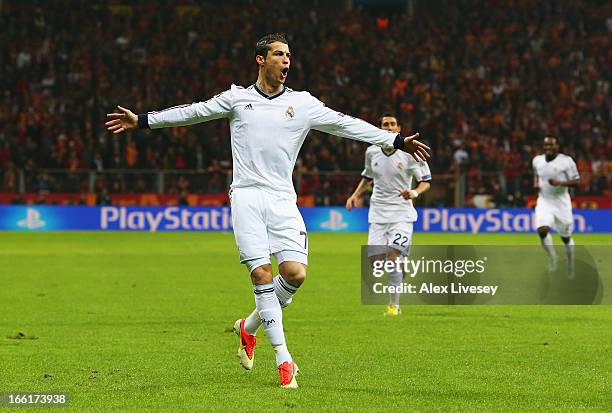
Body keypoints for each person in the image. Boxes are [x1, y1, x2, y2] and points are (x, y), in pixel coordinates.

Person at [105, 33, 430, 388]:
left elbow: (347, 124)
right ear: (261, 60)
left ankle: (249, 326)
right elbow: (193, 111)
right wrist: (144, 120)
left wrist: (395, 140)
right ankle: (284, 358)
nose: (286, 61)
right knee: (260, 274)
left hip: (281, 199)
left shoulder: (303, 104)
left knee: (295, 274)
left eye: (289, 55)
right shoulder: (237, 98)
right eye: (279, 55)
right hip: (245, 196)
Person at [346, 114, 431, 315]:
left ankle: (394, 306)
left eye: (393, 124)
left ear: (399, 129)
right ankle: (401, 266)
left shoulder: (410, 152)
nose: (389, 127)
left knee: (392, 256)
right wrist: (354, 195)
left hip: (402, 213)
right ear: (380, 129)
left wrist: (414, 192)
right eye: (385, 124)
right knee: (376, 261)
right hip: (377, 213)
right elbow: (367, 177)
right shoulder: (371, 152)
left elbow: (426, 181)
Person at [532, 136, 580, 277]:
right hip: (544, 201)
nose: (548, 148)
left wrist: (560, 183)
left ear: (557, 146)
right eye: (546, 145)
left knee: (565, 237)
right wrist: (536, 183)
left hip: (561, 203)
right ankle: (553, 257)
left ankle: (570, 264)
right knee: (542, 230)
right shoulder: (537, 160)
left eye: (551, 145)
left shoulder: (566, 161)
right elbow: (536, 174)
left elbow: (577, 181)